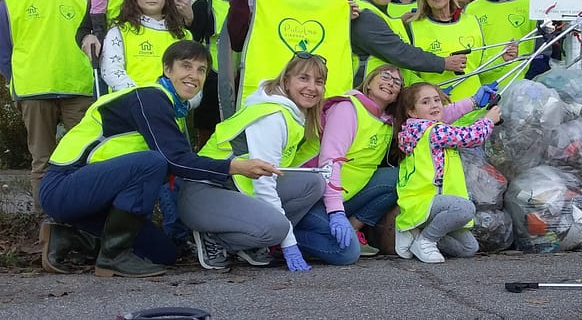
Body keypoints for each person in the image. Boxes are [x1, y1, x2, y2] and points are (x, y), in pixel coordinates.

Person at [39, 41, 279, 277]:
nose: (194, 75)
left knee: (164, 253)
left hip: (95, 201)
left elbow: (179, 164)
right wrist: (234, 167)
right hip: (63, 187)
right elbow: (176, 161)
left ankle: (70, 236)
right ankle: (113, 258)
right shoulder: (150, 98)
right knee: (153, 162)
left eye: (201, 70)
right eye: (186, 66)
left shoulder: (172, 108)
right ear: (167, 69)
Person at [181, 53, 327, 271]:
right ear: (286, 81)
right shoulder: (273, 116)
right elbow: (264, 182)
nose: (312, 87)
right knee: (277, 228)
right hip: (205, 191)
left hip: (235, 188)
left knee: (313, 183)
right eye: (304, 78)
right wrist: (288, 242)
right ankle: (212, 238)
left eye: (319, 81)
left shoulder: (295, 115)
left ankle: (249, 241)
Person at [0, 0, 94, 213]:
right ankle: (48, 222)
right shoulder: (9, 4)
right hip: (34, 91)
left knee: (84, 157)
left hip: (78, 89)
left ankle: (83, 219)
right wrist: (16, 82)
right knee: (42, 160)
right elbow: (4, 52)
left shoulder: (78, 2)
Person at [293, 64, 404, 262]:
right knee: (346, 253)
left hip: (347, 196)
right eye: (385, 76)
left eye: (397, 82)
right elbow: (331, 162)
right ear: (368, 83)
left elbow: (431, 114)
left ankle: (352, 227)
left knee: (400, 177)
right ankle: (285, 238)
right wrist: (335, 212)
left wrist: (473, 102)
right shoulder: (348, 108)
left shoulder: (387, 120)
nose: (390, 83)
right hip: (314, 198)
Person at [226, 0, 354, 105]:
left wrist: (344, 15)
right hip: (268, 93)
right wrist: (240, 0)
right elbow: (236, 40)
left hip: (310, 94)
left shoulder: (320, 4)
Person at [394, 82, 501, 263]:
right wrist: (489, 120)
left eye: (437, 100)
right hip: (425, 200)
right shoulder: (434, 131)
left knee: (469, 248)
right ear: (412, 112)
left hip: (429, 202)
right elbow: (471, 136)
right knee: (465, 208)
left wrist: (474, 102)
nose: (435, 105)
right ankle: (425, 241)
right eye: (426, 102)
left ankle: (418, 231)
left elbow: (448, 113)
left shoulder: (419, 129)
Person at [350, 0, 467, 87]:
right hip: (366, 97)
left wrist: (426, 89)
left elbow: (404, 69)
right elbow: (400, 53)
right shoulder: (362, 14)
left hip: (384, 94)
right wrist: (443, 63)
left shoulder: (380, 13)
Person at [407, 0, 515, 106]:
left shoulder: (472, 21)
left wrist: (502, 58)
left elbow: (479, 69)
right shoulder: (412, 27)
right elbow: (407, 74)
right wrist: (431, 91)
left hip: (475, 109)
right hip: (438, 114)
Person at [189, 0, 258, 148]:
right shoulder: (206, 2)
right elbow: (192, 41)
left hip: (244, 79)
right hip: (212, 80)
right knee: (209, 137)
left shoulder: (256, 3)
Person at [101, 0, 191, 91]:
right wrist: (143, 99)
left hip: (172, 107)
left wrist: (183, 102)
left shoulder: (183, 35)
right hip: (129, 105)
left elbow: (193, 76)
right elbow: (111, 71)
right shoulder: (119, 31)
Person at [465, 0, 536, 84]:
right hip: (481, 93)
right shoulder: (471, 9)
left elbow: (543, 51)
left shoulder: (531, 5)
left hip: (521, 91)